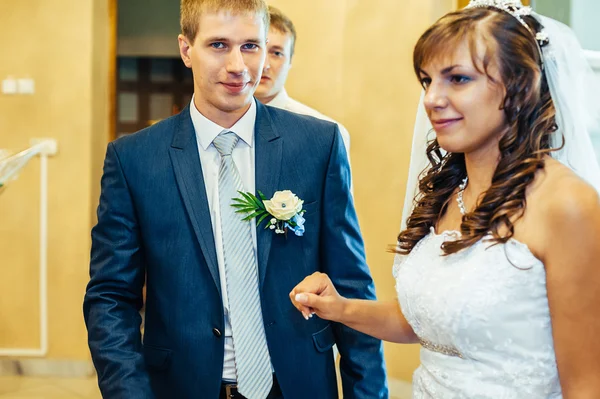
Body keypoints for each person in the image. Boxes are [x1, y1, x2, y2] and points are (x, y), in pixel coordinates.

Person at [291, 1, 600, 398]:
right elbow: (427, 321)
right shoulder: (445, 194)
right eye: (427, 80)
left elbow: (587, 385)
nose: (432, 98)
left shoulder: (566, 205)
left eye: (457, 79)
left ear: (520, 85)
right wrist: (340, 307)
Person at [83, 0, 387, 398]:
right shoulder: (134, 159)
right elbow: (110, 297)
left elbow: (351, 285)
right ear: (186, 49)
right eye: (219, 45)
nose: (238, 66)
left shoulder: (318, 145)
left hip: (297, 383)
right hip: (182, 386)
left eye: (250, 46)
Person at [253, 6, 351, 157]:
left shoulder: (326, 137)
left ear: (290, 61)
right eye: (256, 49)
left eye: (277, 53)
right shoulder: (217, 124)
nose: (264, 65)